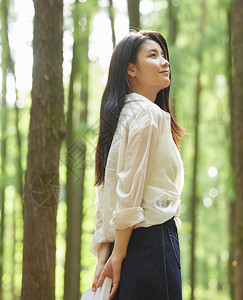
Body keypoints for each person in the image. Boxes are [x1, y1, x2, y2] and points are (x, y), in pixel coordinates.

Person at [90, 30, 185, 300]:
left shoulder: (120, 119)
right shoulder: (149, 114)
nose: (164, 62)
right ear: (131, 69)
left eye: (164, 55)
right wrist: (116, 255)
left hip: (122, 246)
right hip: (151, 243)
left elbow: (105, 195)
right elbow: (129, 188)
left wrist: (105, 254)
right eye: (152, 55)